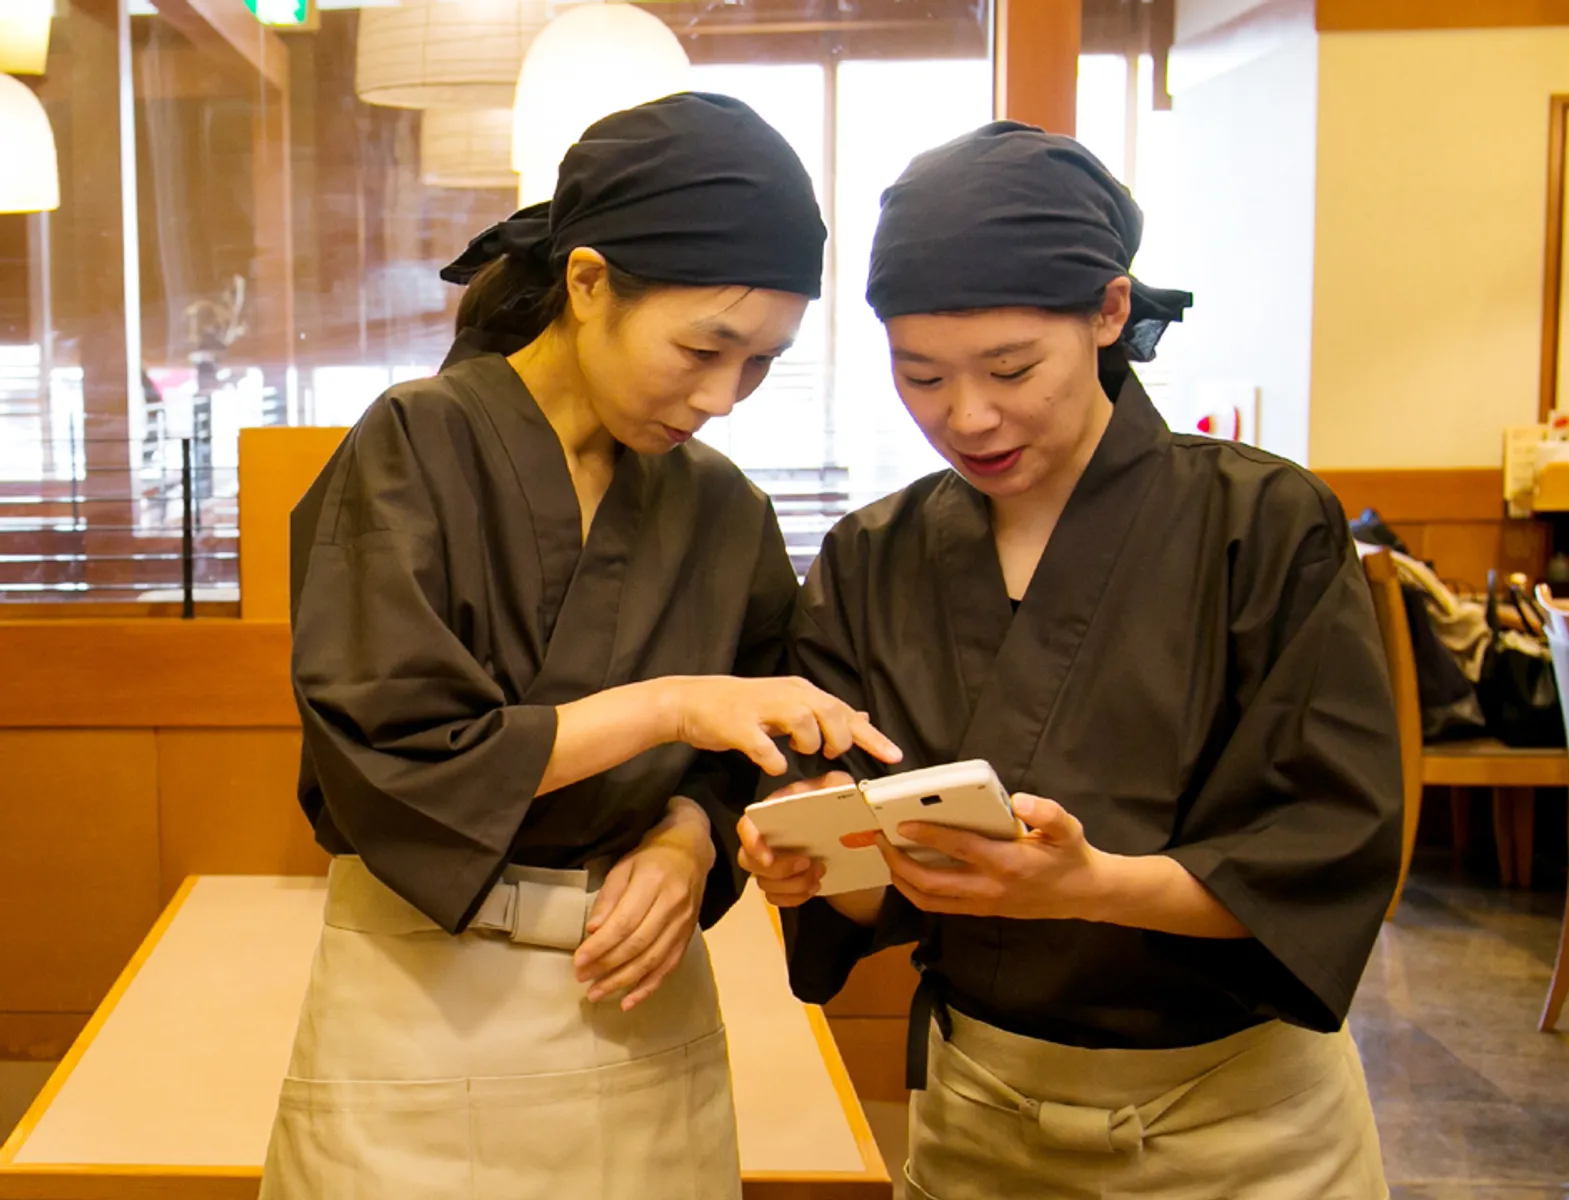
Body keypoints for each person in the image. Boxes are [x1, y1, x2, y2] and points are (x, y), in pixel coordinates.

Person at [738, 123, 1401, 1200]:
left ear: (1107, 312)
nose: (968, 416)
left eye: (1009, 368)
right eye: (921, 376)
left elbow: (1322, 846)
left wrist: (1091, 887)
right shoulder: (872, 555)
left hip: (1237, 1132)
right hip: (977, 1118)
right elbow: (867, 852)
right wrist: (818, 865)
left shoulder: (1265, 522)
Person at [259, 92, 900, 1200]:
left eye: (760, 363)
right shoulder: (416, 446)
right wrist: (667, 705)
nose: (723, 397)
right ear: (588, 281)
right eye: (704, 347)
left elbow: (752, 742)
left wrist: (689, 839)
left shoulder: (722, 506)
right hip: (424, 1004)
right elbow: (396, 751)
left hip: (640, 1004)